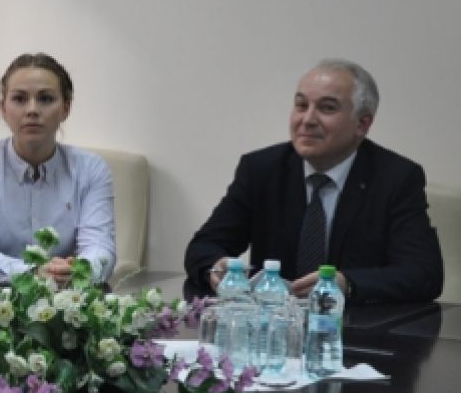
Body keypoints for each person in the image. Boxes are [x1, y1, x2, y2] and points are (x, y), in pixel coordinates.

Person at [184, 59, 443, 305]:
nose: (307, 120)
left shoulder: (395, 178)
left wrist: (346, 283)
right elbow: (204, 246)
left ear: (362, 124)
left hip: (354, 326)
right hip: (273, 325)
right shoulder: (262, 169)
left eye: (327, 108)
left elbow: (423, 273)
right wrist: (215, 268)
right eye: (301, 105)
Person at [0, 53, 116, 283]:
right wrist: (32, 273)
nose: (32, 110)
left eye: (46, 99)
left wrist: (78, 270)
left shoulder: (91, 169)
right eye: (19, 99)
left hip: (68, 297)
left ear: (66, 108)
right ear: (3, 108)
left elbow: (101, 248)